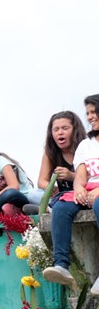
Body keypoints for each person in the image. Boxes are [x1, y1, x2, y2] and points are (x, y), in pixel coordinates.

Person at [44, 94, 99, 294]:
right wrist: (79, 188)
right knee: (61, 207)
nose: (91, 117)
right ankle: (61, 265)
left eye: (94, 112)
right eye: (88, 113)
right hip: (89, 189)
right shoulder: (86, 145)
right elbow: (81, 175)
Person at [27, 111, 88, 206]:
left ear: (75, 130)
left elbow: (94, 178)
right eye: (56, 129)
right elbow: (41, 181)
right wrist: (52, 188)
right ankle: (51, 205)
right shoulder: (50, 152)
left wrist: (71, 176)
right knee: (32, 194)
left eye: (65, 128)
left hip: (85, 192)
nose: (60, 132)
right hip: (61, 195)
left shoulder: (87, 147)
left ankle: (49, 208)